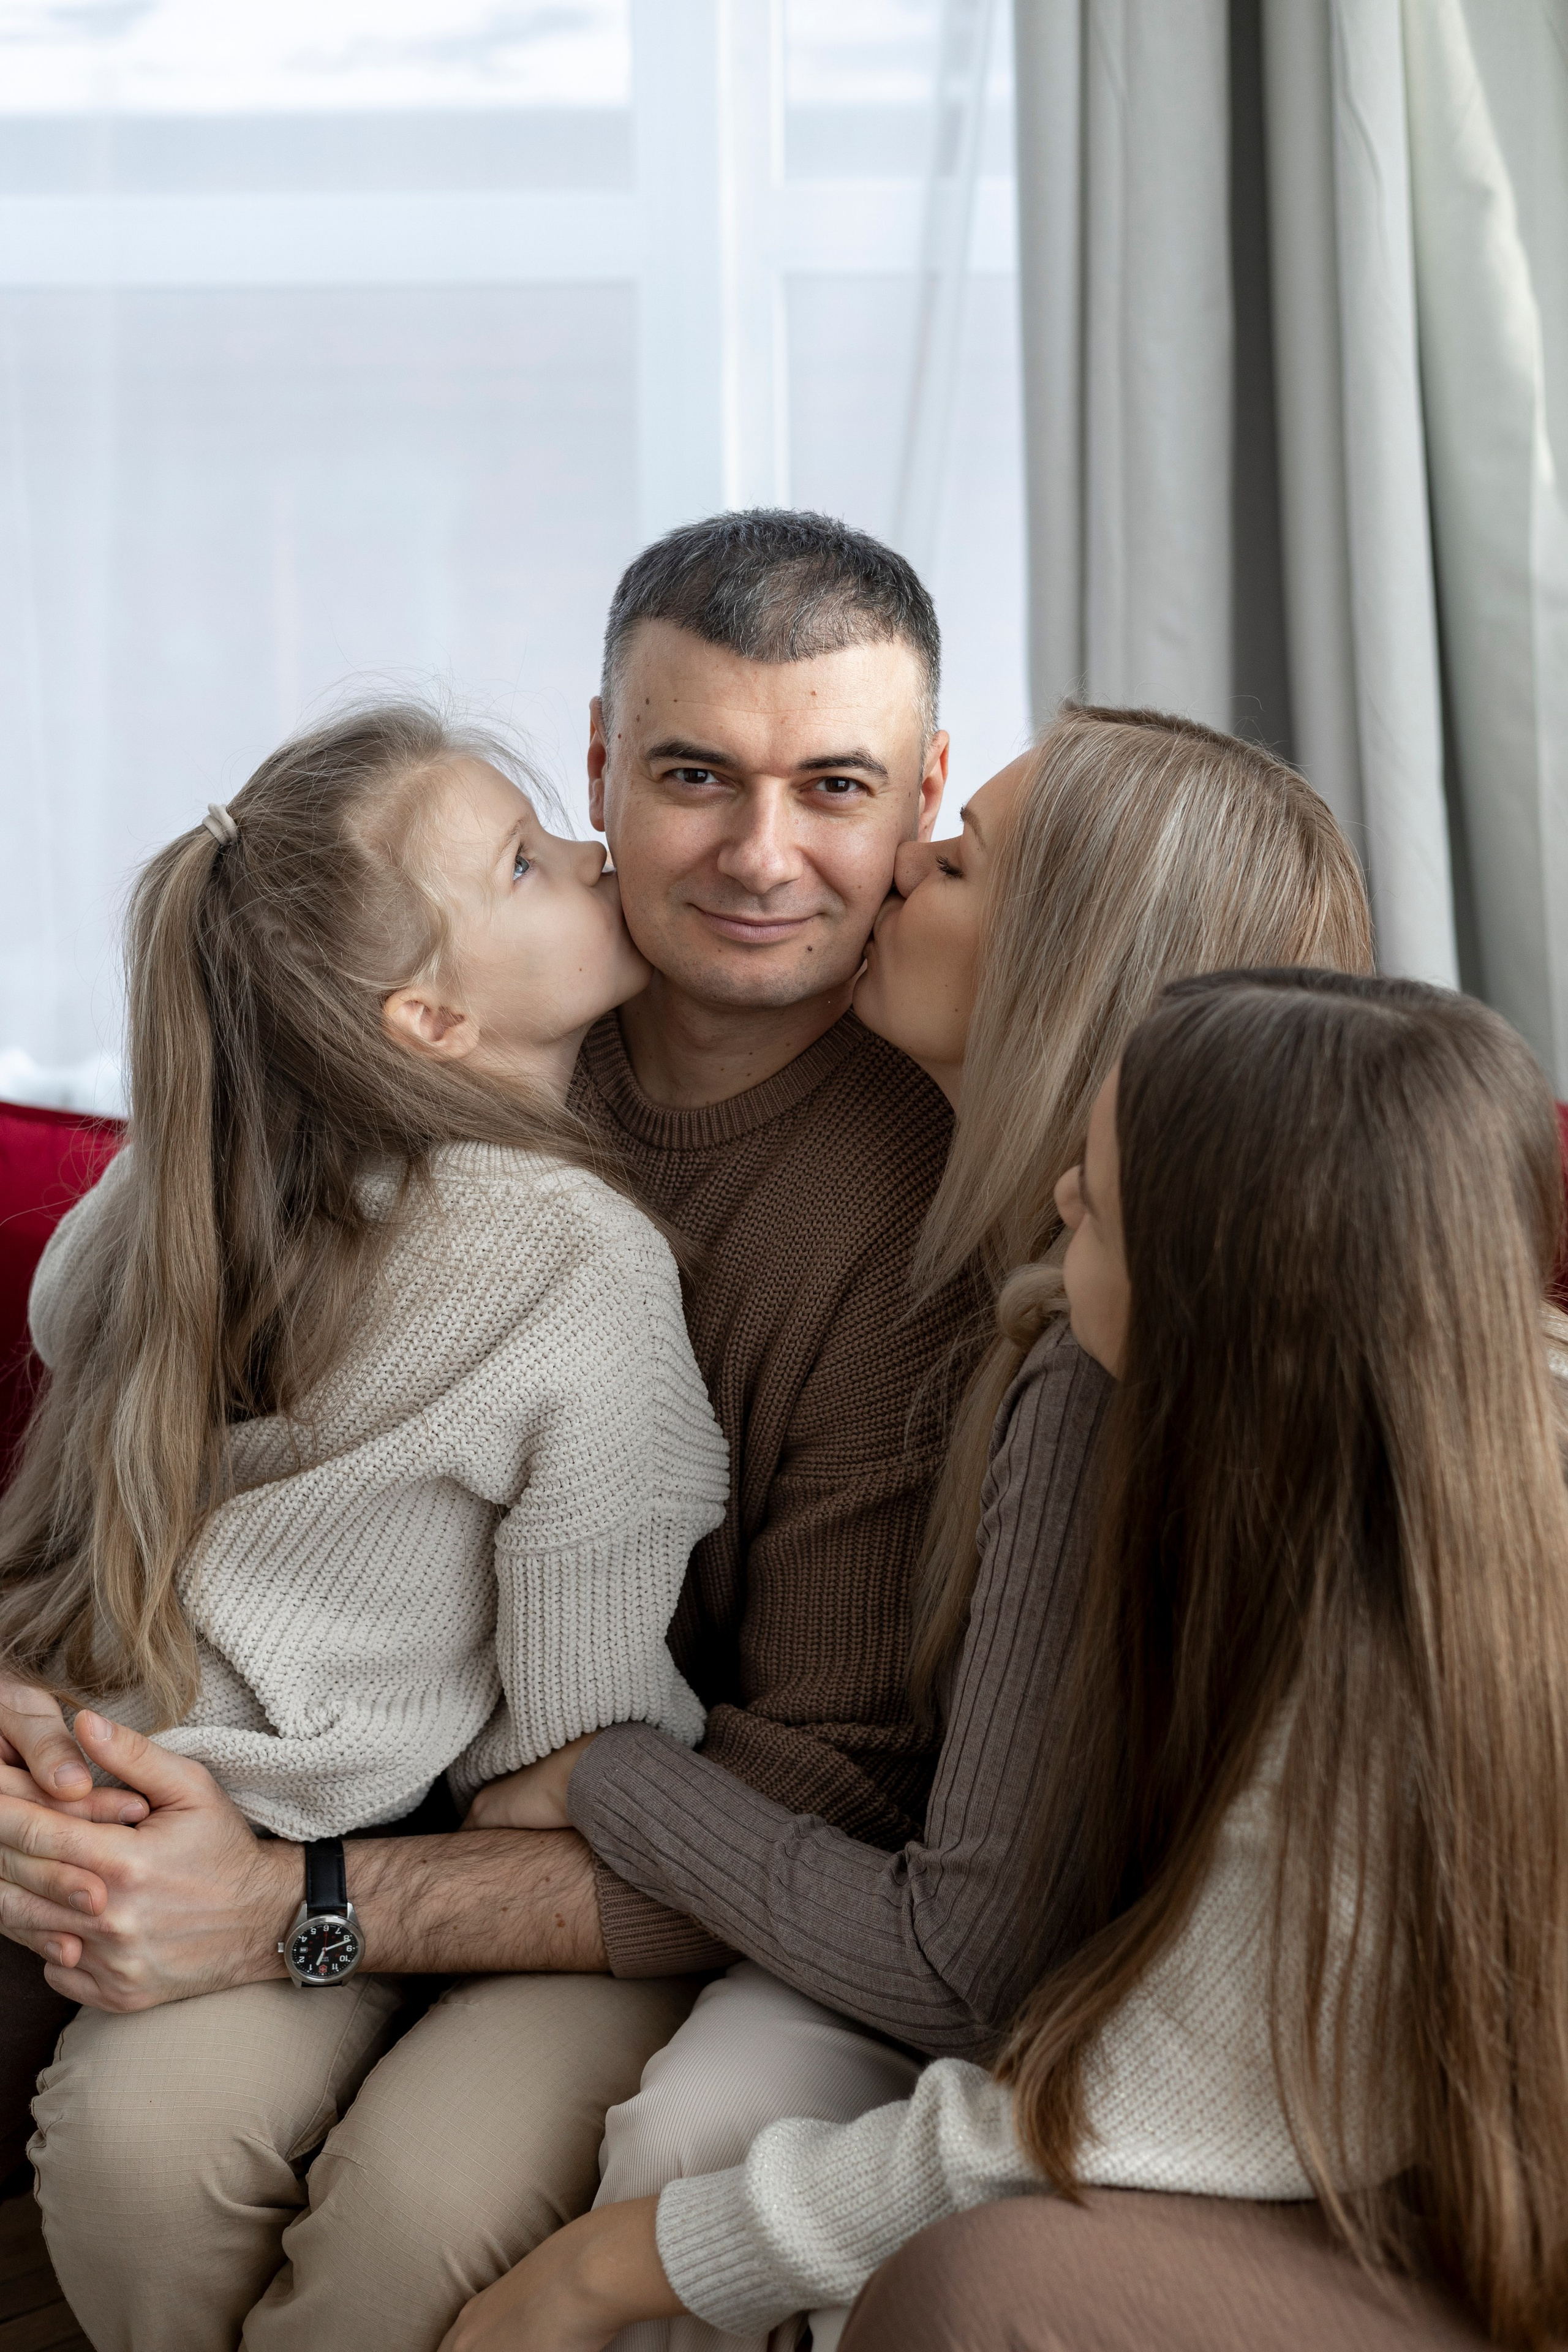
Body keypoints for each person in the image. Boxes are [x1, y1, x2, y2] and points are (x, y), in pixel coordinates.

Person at [0, 511, 973, 2352]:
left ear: (924, 795)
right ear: (602, 768)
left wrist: (305, 1910)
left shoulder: (929, 1190)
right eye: (692, 777)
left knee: (417, 2214)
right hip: (299, 1780)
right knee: (139, 2151)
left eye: (835, 785)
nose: (762, 856)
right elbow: (138, 1377)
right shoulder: (406, 1026)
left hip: (639, 1874)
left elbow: (827, 1797)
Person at [445, 969, 1568, 2352]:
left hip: (1448, 2202)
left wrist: (618, 2264)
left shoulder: (1382, 1659)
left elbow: (1117, 2091)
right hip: (1404, 2154)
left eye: (1095, 1189)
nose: (1057, 1198)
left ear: (1218, 1286)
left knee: (970, 2291)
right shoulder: (1418, 1427)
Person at [0, 701, 730, 2174]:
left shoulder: (178, 1190)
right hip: (270, 1834)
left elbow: (61, 1309)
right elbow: (573, 1736)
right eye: (527, 863)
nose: (593, 854)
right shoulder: (583, 1266)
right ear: (433, 1023)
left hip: (81, 1775)